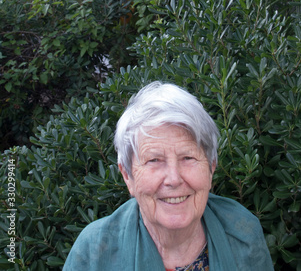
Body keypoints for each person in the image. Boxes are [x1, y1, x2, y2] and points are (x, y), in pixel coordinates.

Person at [63, 81, 274, 270]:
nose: (173, 179)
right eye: (154, 160)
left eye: (188, 158)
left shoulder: (243, 233)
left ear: (211, 168)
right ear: (128, 176)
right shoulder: (93, 254)